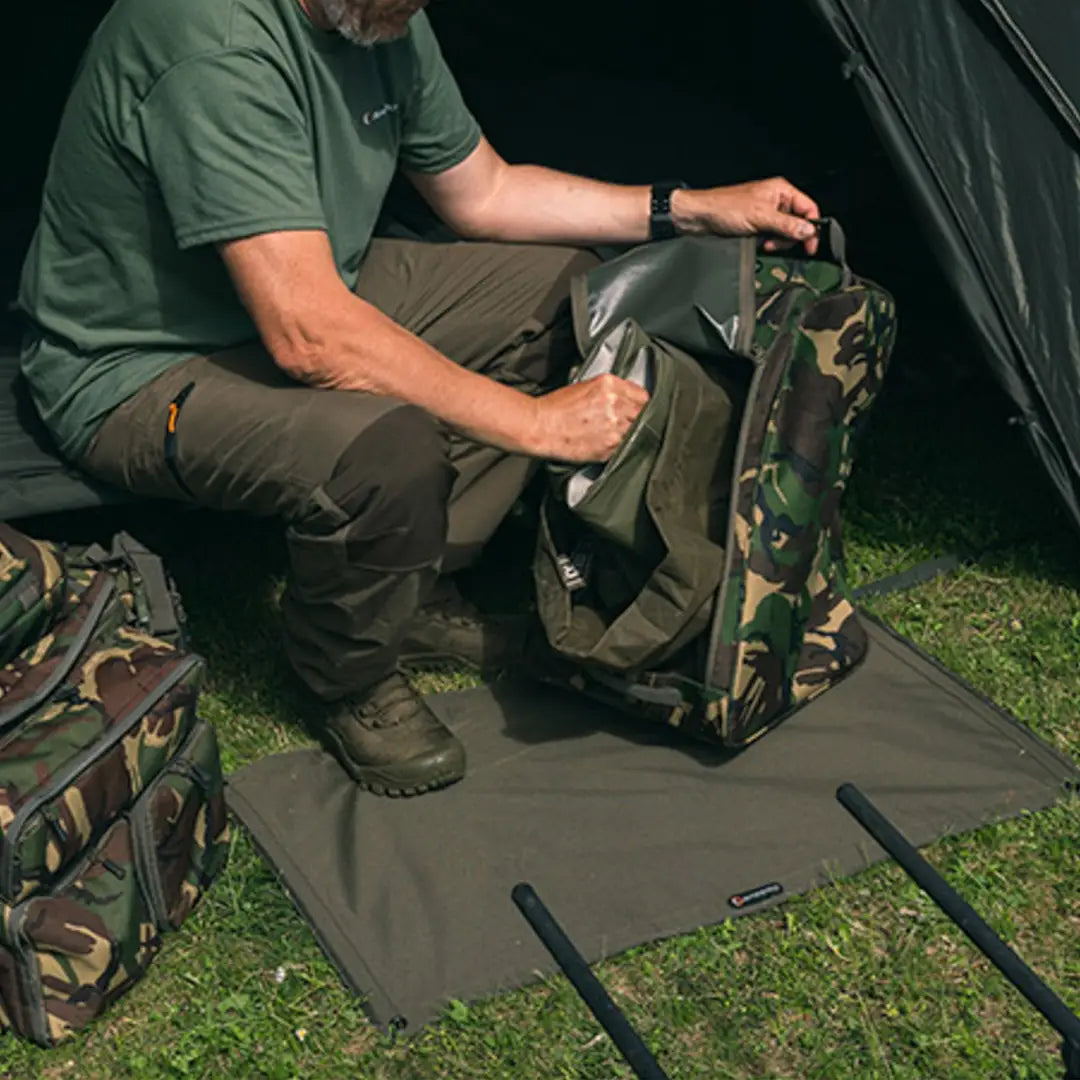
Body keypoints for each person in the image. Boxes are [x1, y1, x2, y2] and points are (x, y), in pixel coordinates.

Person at [18, 0, 823, 797]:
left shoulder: (378, 18)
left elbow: (487, 193)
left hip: (316, 280)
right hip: (138, 365)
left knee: (566, 293)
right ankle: (349, 672)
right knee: (382, 447)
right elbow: (310, 335)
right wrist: (535, 423)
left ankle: (415, 585)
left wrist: (685, 207)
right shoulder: (210, 40)